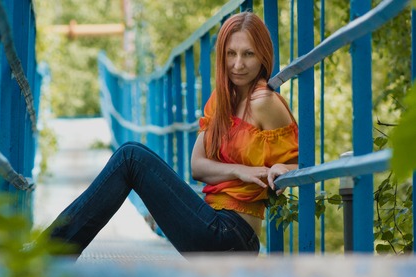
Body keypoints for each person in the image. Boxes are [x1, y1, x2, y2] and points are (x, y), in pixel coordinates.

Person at [43, 12, 298, 256]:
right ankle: (51, 251)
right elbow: (197, 167)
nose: (238, 64)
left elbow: (298, 161)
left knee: (131, 157)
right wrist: (239, 170)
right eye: (231, 54)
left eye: (248, 54)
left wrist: (281, 169)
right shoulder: (223, 100)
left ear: (263, 56)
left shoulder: (264, 101)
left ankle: (48, 252)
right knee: (131, 152)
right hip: (212, 220)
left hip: (232, 236)